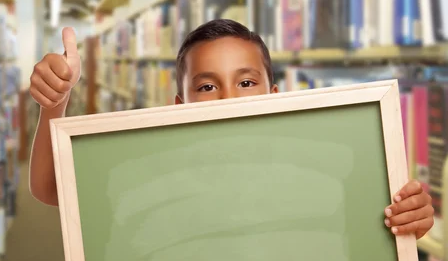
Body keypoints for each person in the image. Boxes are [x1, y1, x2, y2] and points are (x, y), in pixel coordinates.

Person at [28, 19, 434, 240]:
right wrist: (55, 104)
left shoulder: (319, 176)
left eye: (245, 82)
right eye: (206, 86)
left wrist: (408, 221)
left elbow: (372, 230)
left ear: (273, 94)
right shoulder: (152, 172)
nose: (227, 99)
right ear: (179, 106)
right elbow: (49, 188)